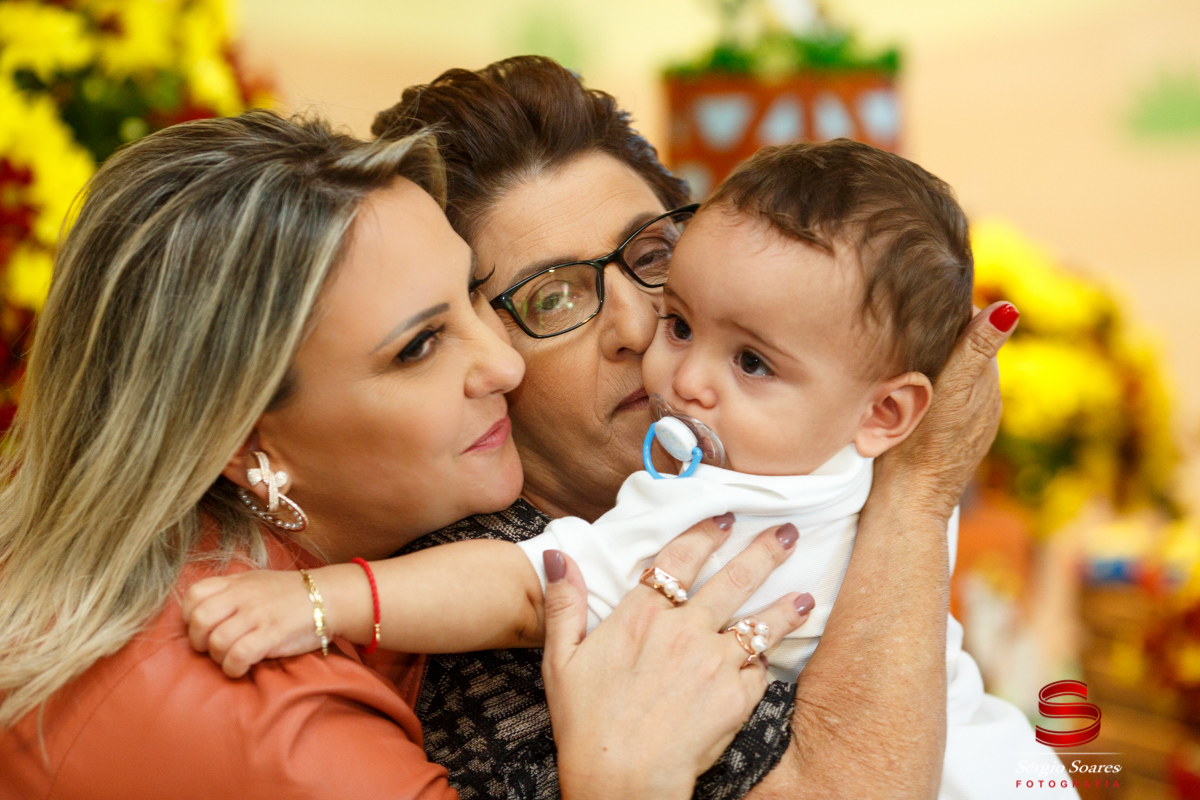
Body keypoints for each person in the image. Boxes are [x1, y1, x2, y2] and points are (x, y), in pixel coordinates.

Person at [184, 139, 1073, 799]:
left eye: (649, 258)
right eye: (554, 296)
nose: (650, 341)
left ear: (886, 412)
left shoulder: (797, 475)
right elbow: (521, 588)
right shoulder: (816, 478)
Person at [0, 110, 817, 800]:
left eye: (470, 298)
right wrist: (624, 782)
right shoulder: (262, 714)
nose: (502, 366)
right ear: (244, 443)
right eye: (420, 347)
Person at [354, 56, 1025, 800]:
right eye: (554, 298)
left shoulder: (810, 460)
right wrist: (920, 491)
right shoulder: (480, 616)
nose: (641, 328)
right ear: (475, 349)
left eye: (651, 256)